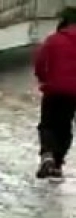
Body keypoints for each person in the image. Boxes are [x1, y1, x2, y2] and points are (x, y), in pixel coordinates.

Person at [34, 8, 76, 179]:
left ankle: (48, 156)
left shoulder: (53, 40)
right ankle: (57, 163)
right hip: (74, 93)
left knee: (48, 124)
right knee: (64, 126)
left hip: (53, 89)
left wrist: (43, 79)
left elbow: (40, 62)